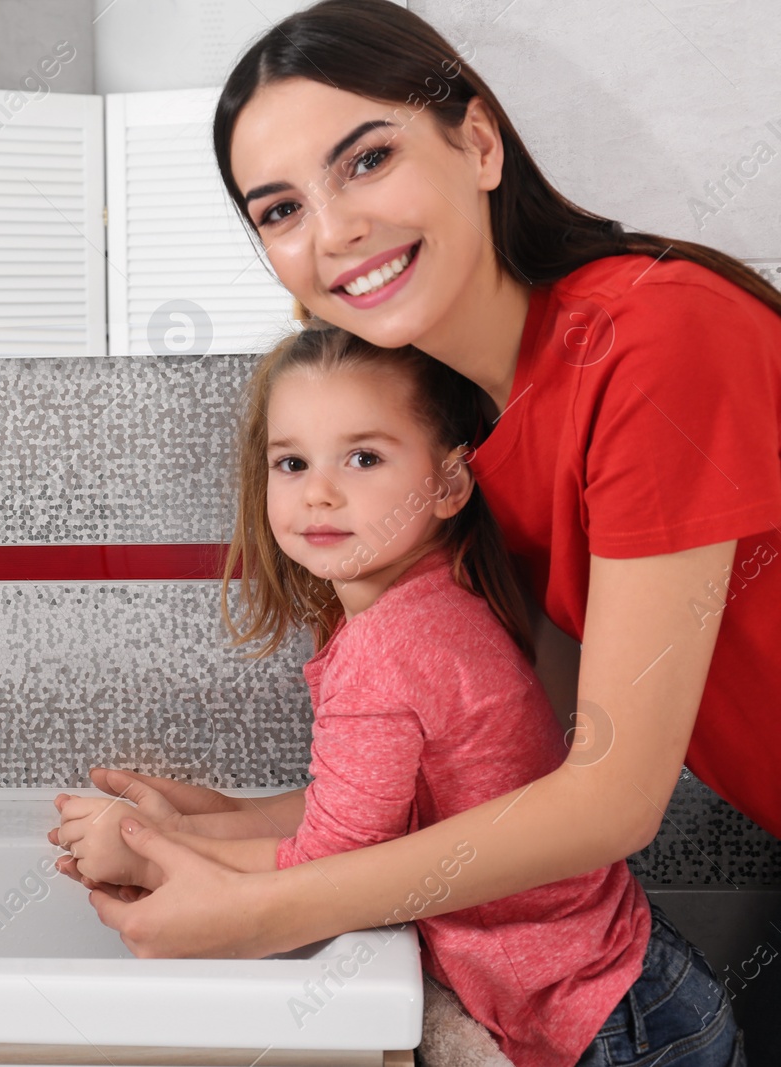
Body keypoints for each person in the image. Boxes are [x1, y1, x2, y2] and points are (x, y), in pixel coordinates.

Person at [51, 0, 778, 1055]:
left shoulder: (649, 339)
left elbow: (612, 796)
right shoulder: (473, 433)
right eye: (279, 209)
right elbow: (521, 752)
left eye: (366, 160)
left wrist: (265, 903)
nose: (333, 230)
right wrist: (244, 819)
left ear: (477, 144)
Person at [53, 324, 742, 1065]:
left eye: (364, 457)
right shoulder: (438, 597)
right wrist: (201, 825)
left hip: (609, 1023)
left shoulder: (389, 645)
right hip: (636, 982)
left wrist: (150, 856)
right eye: (292, 462)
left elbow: (334, 858)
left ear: (449, 483)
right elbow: (383, 809)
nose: (319, 490)